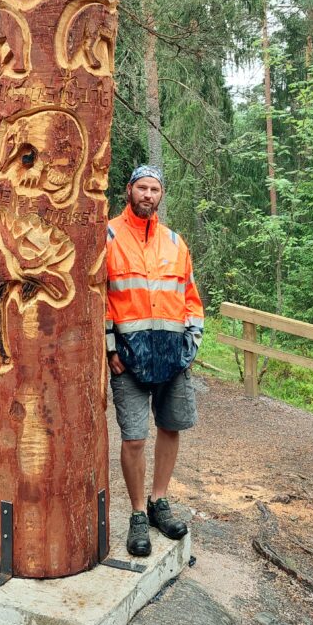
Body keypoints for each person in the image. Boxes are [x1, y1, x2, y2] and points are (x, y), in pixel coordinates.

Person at [106, 165, 204, 557]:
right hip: (127, 359)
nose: (148, 195)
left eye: (155, 189)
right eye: (142, 188)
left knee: (171, 427)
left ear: (161, 195)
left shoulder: (175, 243)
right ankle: (136, 515)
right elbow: (99, 296)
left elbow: (191, 298)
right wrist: (109, 346)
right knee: (134, 437)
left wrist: (191, 344)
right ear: (129, 190)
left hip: (172, 358)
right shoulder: (108, 236)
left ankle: (158, 500)